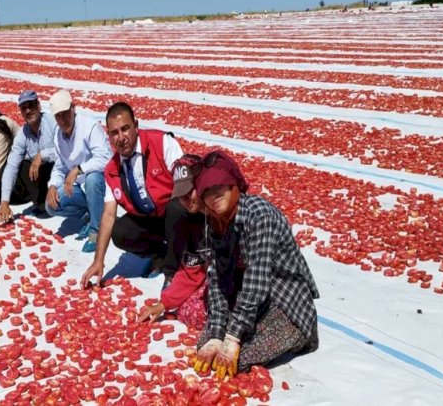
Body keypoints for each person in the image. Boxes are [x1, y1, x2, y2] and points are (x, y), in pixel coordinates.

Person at [191, 150, 320, 379]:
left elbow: (256, 283)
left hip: (283, 301)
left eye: (219, 186)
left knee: (239, 358)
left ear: (234, 185)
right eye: (207, 191)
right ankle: (231, 330)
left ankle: (301, 335)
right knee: (207, 346)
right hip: (249, 301)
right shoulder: (214, 222)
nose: (214, 196)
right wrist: (217, 333)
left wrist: (231, 337)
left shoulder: (259, 215)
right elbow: (217, 278)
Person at [80, 102, 202, 288]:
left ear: (136, 126)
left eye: (125, 129)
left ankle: (172, 271)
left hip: (179, 214)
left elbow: (187, 186)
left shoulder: (162, 143)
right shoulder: (112, 170)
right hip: (151, 218)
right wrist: (99, 261)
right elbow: (108, 215)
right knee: (120, 231)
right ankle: (159, 255)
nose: (121, 138)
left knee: (176, 205)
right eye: (114, 133)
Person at [137, 153, 211, 329]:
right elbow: (191, 273)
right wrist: (163, 304)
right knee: (188, 310)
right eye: (181, 195)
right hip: (216, 278)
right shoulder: (192, 223)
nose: (185, 200)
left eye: (189, 192)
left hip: (246, 280)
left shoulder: (222, 211)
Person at [45, 90, 112, 252]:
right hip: (78, 187)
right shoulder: (58, 136)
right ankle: (91, 213)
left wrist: (79, 169)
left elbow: (106, 159)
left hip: (100, 185)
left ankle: (96, 230)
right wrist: (53, 185)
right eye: (58, 116)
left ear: (73, 108)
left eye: (65, 113)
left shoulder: (89, 127)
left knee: (92, 178)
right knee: (50, 206)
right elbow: (60, 166)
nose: (63, 119)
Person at [0, 91, 58, 223]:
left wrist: (42, 155)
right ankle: (40, 203)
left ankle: (51, 201)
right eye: (24, 108)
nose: (28, 110)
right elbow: (12, 165)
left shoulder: (52, 122)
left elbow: (65, 152)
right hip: (40, 175)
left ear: (39, 106)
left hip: (58, 171)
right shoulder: (23, 133)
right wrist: (4, 202)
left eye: (31, 105)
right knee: (17, 166)